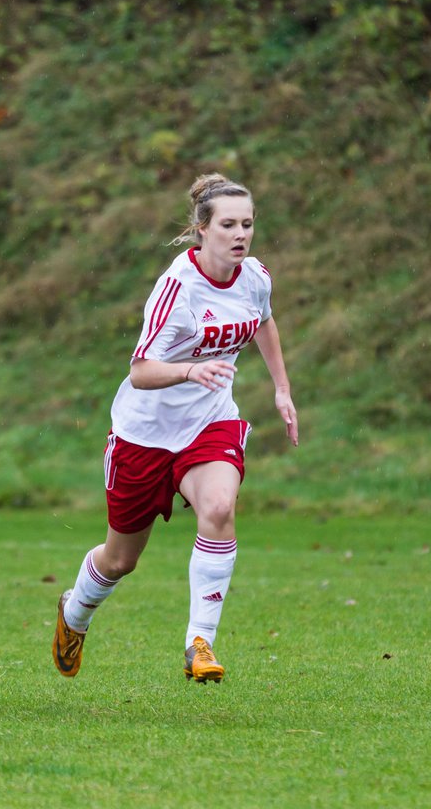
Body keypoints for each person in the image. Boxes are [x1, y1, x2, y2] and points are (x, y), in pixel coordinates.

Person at [51, 173, 298, 683]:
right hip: (143, 436)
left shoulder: (254, 276)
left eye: (247, 224)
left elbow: (265, 320)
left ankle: (199, 643)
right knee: (120, 560)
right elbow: (141, 371)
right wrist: (190, 369)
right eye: (228, 224)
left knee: (219, 506)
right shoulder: (177, 288)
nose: (240, 234)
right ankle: (74, 614)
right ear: (202, 230)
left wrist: (281, 388)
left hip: (210, 422)